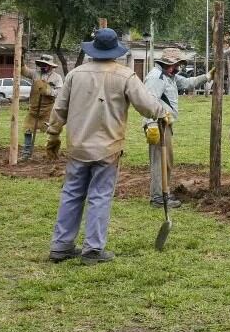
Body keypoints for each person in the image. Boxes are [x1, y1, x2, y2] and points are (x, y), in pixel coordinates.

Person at [45, 28, 168, 265]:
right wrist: (163, 113)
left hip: (78, 146)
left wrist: (53, 135)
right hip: (108, 148)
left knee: (71, 194)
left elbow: (59, 109)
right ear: (115, 52)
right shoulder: (125, 75)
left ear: (93, 49)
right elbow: (146, 105)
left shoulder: (74, 75)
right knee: (100, 196)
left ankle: (61, 246)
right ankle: (93, 249)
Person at [142, 48, 214, 208]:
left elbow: (188, 83)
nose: (179, 68)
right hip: (157, 125)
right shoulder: (156, 77)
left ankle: (164, 192)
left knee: (167, 161)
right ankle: (158, 197)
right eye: (178, 64)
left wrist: (207, 76)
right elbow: (148, 102)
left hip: (165, 124)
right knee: (160, 161)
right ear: (170, 63)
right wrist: (151, 124)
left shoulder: (170, 76)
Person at [21, 54, 64, 160]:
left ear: (51, 66)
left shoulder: (57, 77)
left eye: (45, 65)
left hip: (48, 110)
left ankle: (52, 154)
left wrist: (48, 91)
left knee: (52, 131)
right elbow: (24, 71)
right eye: (41, 64)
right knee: (27, 130)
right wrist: (20, 60)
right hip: (34, 109)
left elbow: (60, 93)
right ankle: (26, 153)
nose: (43, 67)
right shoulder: (35, 73)